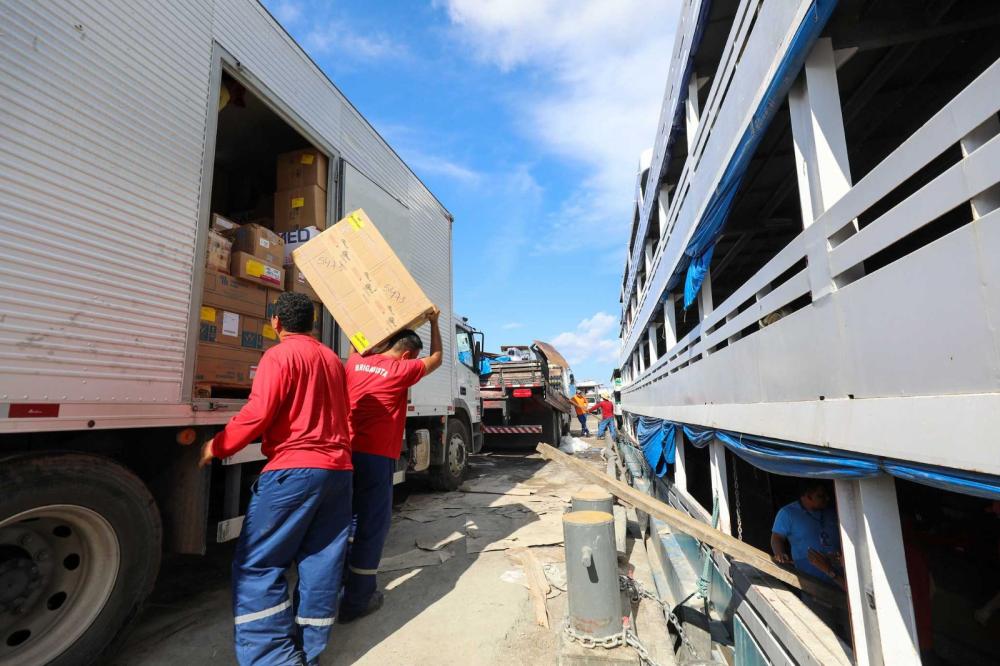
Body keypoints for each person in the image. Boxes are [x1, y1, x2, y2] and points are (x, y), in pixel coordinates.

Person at [199, 292, 352, 666]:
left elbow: (258, 412)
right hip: (338, 471)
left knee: (259, 564)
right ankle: (309, 651)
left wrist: (217, 446)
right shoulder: (333, 360)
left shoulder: (278, 355)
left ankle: (273, 658)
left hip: (294, 470)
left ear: (276, 323)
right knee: (321, 562)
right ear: (313, 325)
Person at [340, 309, 443, 623]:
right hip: (376, 458)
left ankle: (335, 587)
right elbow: (437, 357)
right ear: (409, 354)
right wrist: (434, 321)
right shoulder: (400, 371)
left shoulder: (355, 360)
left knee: (346, 524)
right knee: (372, 526)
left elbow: (358, 337)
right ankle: (357, 601)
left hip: (343, 454)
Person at [771, 481, 843, 586]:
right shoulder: (788, 513)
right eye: (821, 496)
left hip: (839, 580)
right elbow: (777, 537)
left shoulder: (833, 511)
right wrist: (780, 554)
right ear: (808, 496)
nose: (827, 498)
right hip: (809, 582)